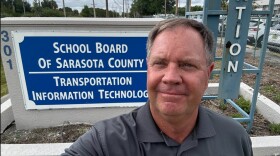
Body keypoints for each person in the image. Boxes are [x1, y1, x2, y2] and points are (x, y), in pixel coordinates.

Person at [62, 18, 253, 156]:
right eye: (160, 63)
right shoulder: (104, 142)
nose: (170, 78)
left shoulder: (235, 138)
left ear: (207, 74)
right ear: (148, 69)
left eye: (187, 65)